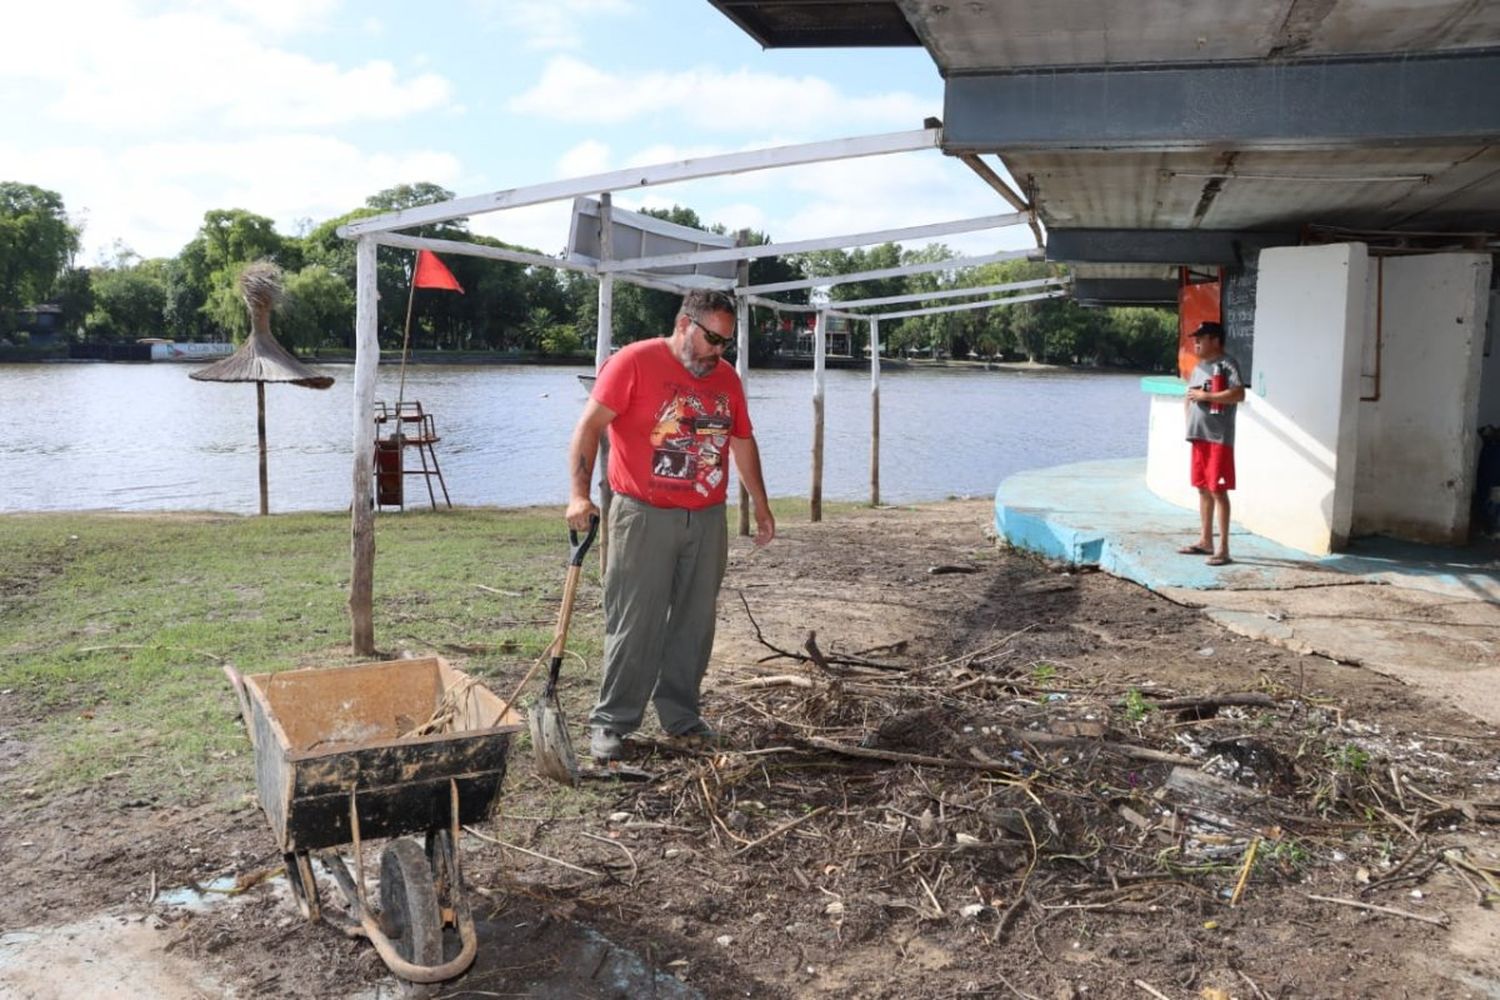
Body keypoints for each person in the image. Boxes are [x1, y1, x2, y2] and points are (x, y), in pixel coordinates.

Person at [565, 289, 775, 761]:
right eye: (712, 339)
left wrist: (760, 504)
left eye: (727, 343)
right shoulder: (634, 362)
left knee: (694, 622)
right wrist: (578, 495)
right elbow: (589, 427)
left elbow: (742, 441)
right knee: (634, 620)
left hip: (706, 517)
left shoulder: (726, 380)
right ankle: (612, 723)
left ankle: (682, 718)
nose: (719, 352)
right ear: (685, 324)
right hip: (643, 514)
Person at [1178, 321, 1247, 566]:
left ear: (1215, 340)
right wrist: (1189, 423)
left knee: (1218, 490)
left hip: (1219, 438)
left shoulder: (1227, 364)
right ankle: (1205, 541)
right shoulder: (1198, 367)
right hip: (1199, 436)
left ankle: (1223, 548)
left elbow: (1238, 394)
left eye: (1201, 338)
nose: (1196, 342)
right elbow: (1189, 396)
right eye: (1195, 338)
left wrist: (1206, 396)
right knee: (1202, 488)